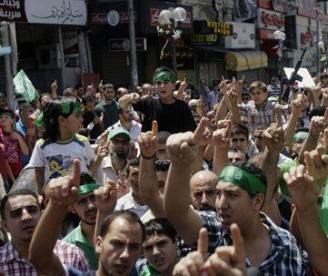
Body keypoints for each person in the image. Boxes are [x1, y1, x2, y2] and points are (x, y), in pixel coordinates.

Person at [163, 131, 310, 275]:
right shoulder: (213, 230)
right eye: (219, 194)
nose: (221, 204)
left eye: (232, 195)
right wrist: (179, 164)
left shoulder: (286, 243)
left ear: (257, 201)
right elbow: (178, 213)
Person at [0, 189, 92, 274]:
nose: (26, 217)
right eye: (16, 214)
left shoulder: (72, 253)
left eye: (32, 210)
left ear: (42, 215)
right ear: (5, 226)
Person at [29, 97, 100, 194]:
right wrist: (40, 197)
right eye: (77, 116)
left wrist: (99, 158)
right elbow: (39, 174)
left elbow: (91, 170)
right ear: (61, 120)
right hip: (57, 202)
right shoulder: (41, 145)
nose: (82, 119)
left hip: (81, 199)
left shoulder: (83, 141)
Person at [119, 67, 197, 133]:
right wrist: (130, 97)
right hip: (151, 149)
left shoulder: (182, 107)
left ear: (173, 85)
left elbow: (192, 131)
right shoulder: (148, 103)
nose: (162, 86)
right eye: (158, 83)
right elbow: (121, 103)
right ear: (155, 86)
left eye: (166, 82)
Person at [63, 173, 100, 270]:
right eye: (82, 201)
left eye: (93, 197)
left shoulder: (120, 232)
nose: (91, 206)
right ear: (72, 208)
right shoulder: (68, 245)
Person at [96, 126, 132, 197]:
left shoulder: (133, 170)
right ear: (108, 144)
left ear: (129, 145)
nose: (120, 145)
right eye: (116, 141)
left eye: (124, 142)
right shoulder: (98, 166)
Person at [0, 108, 28, 187]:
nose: (3, 119)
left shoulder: (18, 134)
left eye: (6, 117)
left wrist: (19, 138)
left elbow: (26, 152)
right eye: (1, 117)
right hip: (3, 174)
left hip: (17, 172)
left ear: (12, 121)